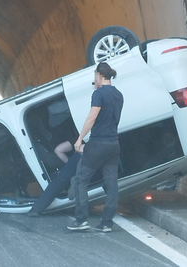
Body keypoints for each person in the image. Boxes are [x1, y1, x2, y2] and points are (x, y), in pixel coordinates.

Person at [66, 62, 124, 232]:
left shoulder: (98, 94)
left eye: (94, 77)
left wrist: (79, 139)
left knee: (80, 181)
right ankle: (107, 222)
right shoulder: (119, 95)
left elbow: (92, 118)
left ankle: (81, 219)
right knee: (111, 183)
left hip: (97, 144)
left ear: (99, 75)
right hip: (114, 144)